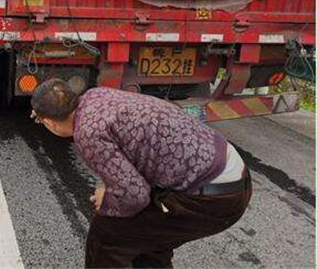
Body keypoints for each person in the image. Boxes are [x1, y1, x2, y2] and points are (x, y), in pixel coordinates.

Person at [30, 79, 251, 268]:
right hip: (231, 173)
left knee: (107, 234)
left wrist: (107, 200)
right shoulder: (95, 96)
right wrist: (108, 185)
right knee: (147, 237)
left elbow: (134, 197)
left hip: (211, 199)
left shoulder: (86, 133)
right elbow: (125, 151)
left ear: (49, 121)